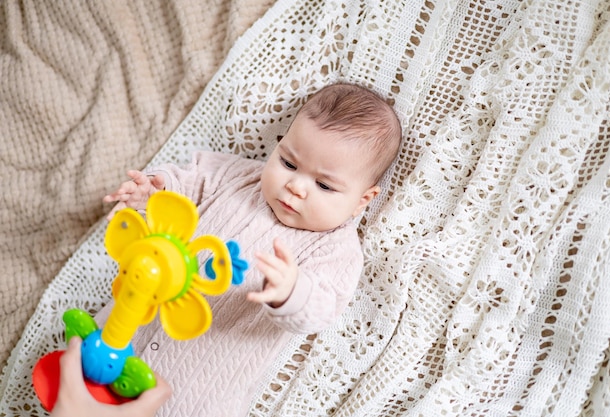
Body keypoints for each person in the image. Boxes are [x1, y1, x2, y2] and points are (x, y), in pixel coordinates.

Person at [52, 82, 402, 416]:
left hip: (195, 394)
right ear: (278, 146)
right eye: (289, 163)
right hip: (117, 338)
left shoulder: (336, 249)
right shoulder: (235, 176)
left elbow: (322, 308)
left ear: (362, 200)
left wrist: (291, 291)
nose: (295, 186)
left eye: (324, 185)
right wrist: (152, 192)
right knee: (69, 392)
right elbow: (184, 186)